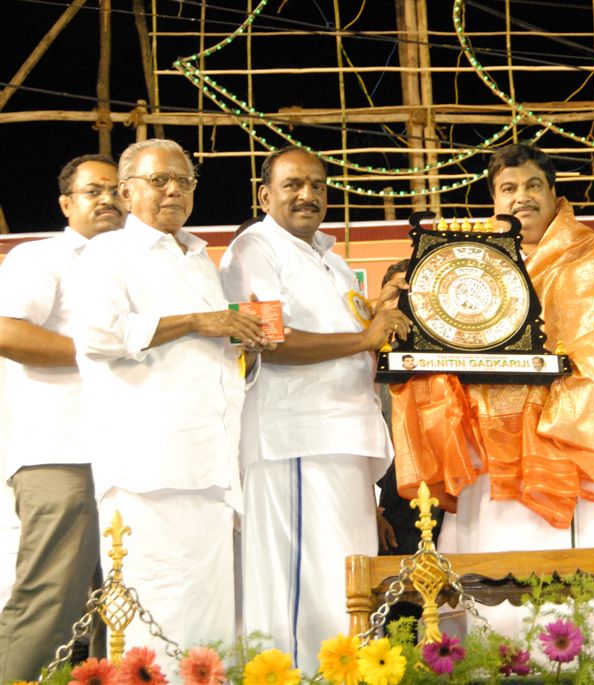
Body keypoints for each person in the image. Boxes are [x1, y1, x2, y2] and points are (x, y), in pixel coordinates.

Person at [390, 143, 594, 557]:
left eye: (533, 185)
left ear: (554, 194)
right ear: (495, 200)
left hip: (569, 435)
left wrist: (562, 372)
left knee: (573, 575)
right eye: (508, 188)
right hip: (487, 437)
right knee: (492, 560)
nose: (521, 197)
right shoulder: (465, 261)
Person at [72, 139, 270, 672]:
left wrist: (241, 347)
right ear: (126, 190)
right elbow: (98, 335)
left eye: (184, 181)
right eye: (160, 180)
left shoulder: (198, 254)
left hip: (210, 465)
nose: (174, 191)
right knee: (154, 611)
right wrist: (200, 320)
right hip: (149, 468)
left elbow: (204, 356)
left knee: (209, 622)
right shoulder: (108, 252)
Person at [219, 146, 410, 671]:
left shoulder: (332, 258)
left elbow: (353, 335)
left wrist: (378, 312)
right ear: (265, 195)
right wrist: (365, 336)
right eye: (293, 184)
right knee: (308, 593)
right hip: (295, 439)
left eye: (319, 185)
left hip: (344, 442)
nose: (308, 195)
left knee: (348, 587)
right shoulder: (252, 249)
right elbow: (267, 339)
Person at [0, 154, 124, 680]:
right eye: (93, 190)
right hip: (61, 453)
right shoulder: (41, 258)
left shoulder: (135, 264)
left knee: (117, 609)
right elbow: (7, 332)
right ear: (66, 203)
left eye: (117, 190)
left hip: (128, 458)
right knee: (50, 599)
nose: (108, 200)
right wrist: (106, 348)